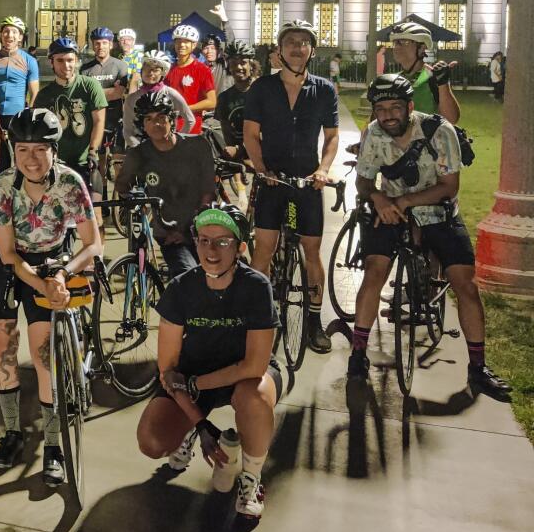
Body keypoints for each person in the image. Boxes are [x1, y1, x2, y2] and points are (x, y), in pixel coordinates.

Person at [346, 74, 509, 399]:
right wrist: (378, 197)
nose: (389, 115)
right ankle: (357, 356)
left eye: (395, 107)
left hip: (437, 213)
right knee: (374, 274)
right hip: (389, 212)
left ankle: (478, 368)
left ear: (409, 106)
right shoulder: (374, 134)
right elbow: (363, 181)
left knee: (465, 285)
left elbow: (450, 186)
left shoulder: (438, 130)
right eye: (381, 108)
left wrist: (404, 201)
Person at [0, 108, 103, 485]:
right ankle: (13, 431)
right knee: (5, 346)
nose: (31, 159)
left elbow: (93, 243)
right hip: (7, 262)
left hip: (51, 259)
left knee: (45, 352)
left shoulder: (70, 182)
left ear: (54, 150)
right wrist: (46, 285)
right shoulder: (1, 186)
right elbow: (7, 257)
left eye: (39, 150)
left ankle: (53, 445)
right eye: (22, 150)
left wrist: (62, 274)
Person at [136, 204, 281, 520]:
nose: (210, 250)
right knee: (151, 441)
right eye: (203, 240)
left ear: (241, 246)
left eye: (222, 241)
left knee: (253, 396)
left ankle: (252, 478)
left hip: (243, 376)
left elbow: (253, 367)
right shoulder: (180, 289)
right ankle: (188, 428)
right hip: (194, 375)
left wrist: (193, 385)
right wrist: (199, 423)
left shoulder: (257, 287)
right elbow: (168, 371)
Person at [242, 20, 338, 354]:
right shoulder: (262, 88)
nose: (297, 47)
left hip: (307, 182)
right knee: (264, 250)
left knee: (312, 251)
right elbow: (251, 135)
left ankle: (314, 321)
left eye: (303, 42)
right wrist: (261, 168)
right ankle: (257, 318)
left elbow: (332, 136)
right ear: (279, 50)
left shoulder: (324, 89)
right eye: (290, 42)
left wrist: (323, 170)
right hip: (273, 179)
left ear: (311, 50)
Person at [116, 90, 216, 278]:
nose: (156, 123)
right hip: (169, 234)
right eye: (149, 119)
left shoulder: (197, 147)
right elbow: (122, 186)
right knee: (187, 276)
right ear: (142, 125)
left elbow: (209, 192)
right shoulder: (138, 155)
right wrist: (134, 198)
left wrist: (191, 227)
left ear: (172, 119)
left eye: (162, 117)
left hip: (203, 228)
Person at [32, 37, 108, 199]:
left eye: (70, 60)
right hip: (58, 164)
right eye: (60, 60)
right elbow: (39, 132)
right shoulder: (44, 96)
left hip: (86, 162)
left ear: (77, 61)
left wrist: (93, 151)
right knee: (59, 218)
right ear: (51, 62)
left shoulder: (90, 86)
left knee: (95, 214)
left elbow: (99, 121)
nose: (66, 65)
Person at [0, 16, 40, 170]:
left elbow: (35, 93)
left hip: (18, 116)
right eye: (6, 31)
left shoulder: (29, 61)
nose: (9, 35)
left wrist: (30, 117)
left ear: (20, 37)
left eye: (14, 32)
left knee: (21, 159)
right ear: (1, 35)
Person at [80, 26, 130, 179]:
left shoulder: (121, 65)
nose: (100, 46)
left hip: (116, 120)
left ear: (111, 44)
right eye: (97, 43)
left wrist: (94, 94)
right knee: (98, 162)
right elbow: (84, 96)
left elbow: (119, 93)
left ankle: (121, 200)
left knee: (118, 163)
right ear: (93, 45)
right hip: (94, 121)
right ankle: (101, 198)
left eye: (104, 43)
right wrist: (109, 92)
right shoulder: (85, 69)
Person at [388, 21, 461, 123]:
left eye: (404, 42)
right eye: (395, 42)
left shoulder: (433, 77)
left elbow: (451, 119)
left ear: (422, 48)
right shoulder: (392, 80)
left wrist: (443, 83)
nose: (396, 47)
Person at [121, 49, 194, 149]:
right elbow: (127, 129)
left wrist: (176, 143)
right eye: (147, 68)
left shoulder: (171, 94)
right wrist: (139, 148)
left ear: (163, 73)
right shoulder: (132, 99)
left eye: (156, 70)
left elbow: (190, 120)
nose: (151, 73)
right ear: (141, 70)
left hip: (167, 149)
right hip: (142, 148)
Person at [165, 24, 216, 134]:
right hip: (169, 129)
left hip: (191, 131)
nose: (181, 45)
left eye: (186, 41)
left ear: (194, 45)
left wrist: (185, 109)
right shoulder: (168, 69)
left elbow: (212, 102)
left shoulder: (203, 70)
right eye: (178, 41)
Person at [214, 40, 259, 163]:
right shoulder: (224, 98)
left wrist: (241, 150)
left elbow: (271, 130)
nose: (239, 67)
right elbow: (227, 135)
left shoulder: (264, 92)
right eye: (234, 63)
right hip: (239, 160)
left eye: (243, 63)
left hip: (264, 157)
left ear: (251, 65)